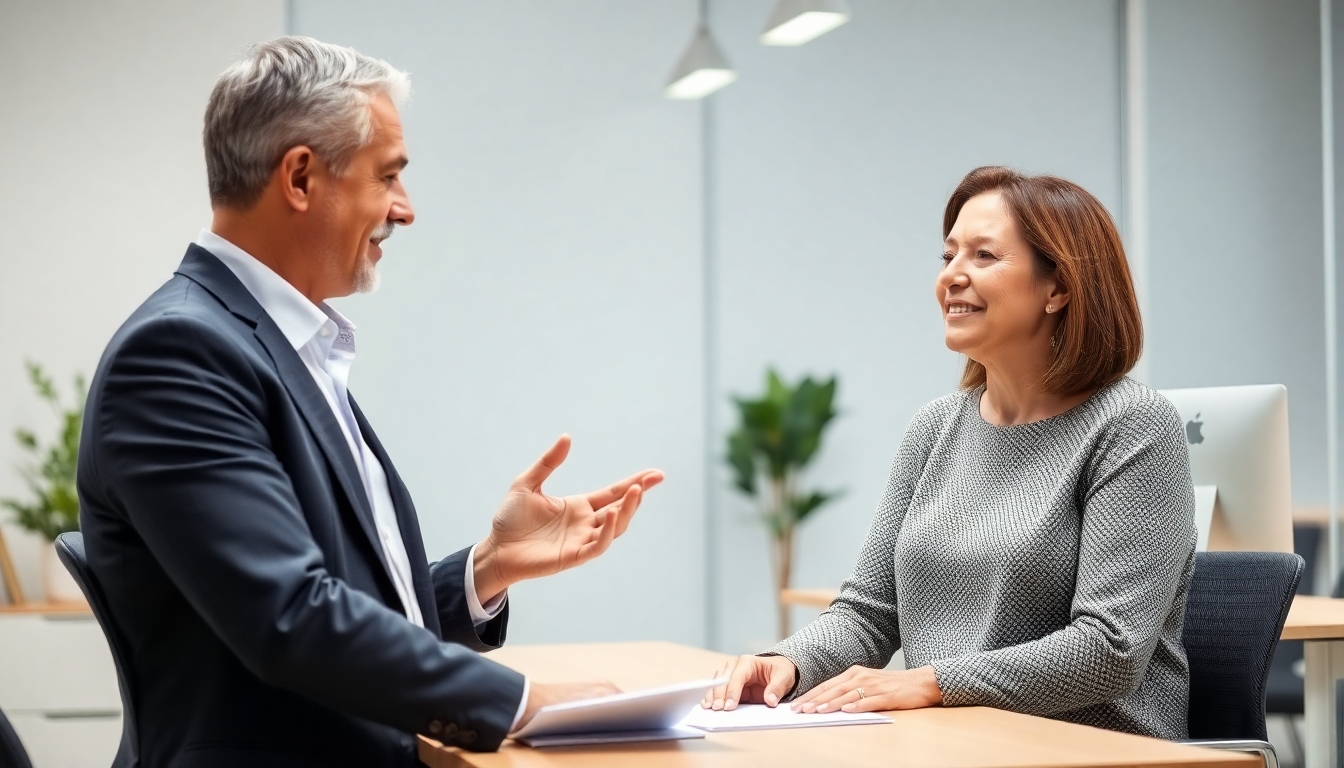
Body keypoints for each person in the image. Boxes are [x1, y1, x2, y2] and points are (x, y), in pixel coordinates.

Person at [76, 37, 663, 767]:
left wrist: (487, 569)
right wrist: (522, 701)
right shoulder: (178, 355)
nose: (406, 210)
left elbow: (330, 606)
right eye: (389, 177)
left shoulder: (276, 344)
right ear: (300, 177)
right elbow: (288, 618)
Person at [705, 166, 1197, 739]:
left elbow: (1109, 649)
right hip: (954, 739)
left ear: (1058, 287)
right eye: (948, 257)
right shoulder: (936, 427)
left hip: (1092, 748)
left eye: (984, 256)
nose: (952, 277)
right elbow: (870, 611)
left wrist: (932, 683)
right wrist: (787, 664)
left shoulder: (1132, 426)